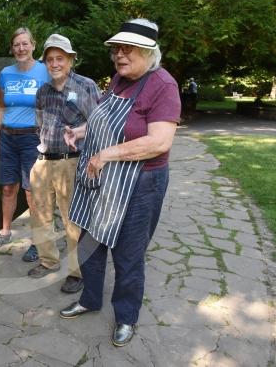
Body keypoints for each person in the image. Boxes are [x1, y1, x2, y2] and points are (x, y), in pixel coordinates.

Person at [59, 18, 181, 346]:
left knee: (128, 252)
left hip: (140, 181)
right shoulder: (119, 79)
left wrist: (106, 154)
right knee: (91, 241)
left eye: (128, 49)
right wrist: (81, 132)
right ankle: (90, 299)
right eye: (116, 49)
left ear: (148, 52)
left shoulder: (163, 86)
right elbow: (104, 117)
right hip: (103, 176)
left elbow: (159, 142)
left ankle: (126, 316)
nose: (119, 56)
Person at [27, 34, 100, 294]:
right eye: (50, 59)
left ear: (70, 60)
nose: (55, 63)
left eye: (60, 58)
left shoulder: (86, 85)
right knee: (40, 214)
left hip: (72, 163)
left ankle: (77, 271)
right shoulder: (43, 91)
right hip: (44, 161)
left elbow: (98, 123)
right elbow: (38, 125)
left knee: (73, 219)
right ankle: (48, 260)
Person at [0, 27, 50, 264]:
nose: (21, 48)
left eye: (25, 44)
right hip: (8, 138)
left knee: (32, 192)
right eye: (16, 45)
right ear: (11, 48)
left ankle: (37, 242)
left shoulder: (44, 72)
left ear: (33, 45)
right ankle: (4, 232)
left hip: (33, 138)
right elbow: (2, 107)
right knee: (7, 188)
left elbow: (54, 103)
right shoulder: (6, 73)